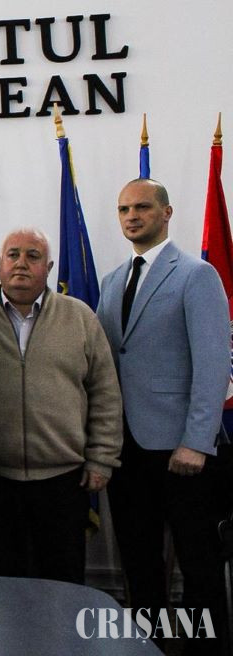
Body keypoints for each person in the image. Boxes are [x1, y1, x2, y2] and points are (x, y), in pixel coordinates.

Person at [96, 179, 229, 651]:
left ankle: (207, 650)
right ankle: (149, 645)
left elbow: (214, 364)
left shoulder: (196, 275)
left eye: (142, 207)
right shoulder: (112, 281)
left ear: (167, 213)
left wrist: (197, 441)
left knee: (198, 562)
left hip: (181, 449)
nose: (132, 216)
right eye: (124, 209)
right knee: (139, 561)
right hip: (125, 447)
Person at [0, 228, 122, 584]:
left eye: (33, 256)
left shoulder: (80, 317)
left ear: (50, 267)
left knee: (62, 582)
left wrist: (102, 458)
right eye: (13, 255)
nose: (21, 263)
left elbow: (105, 392)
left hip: (62, 481)